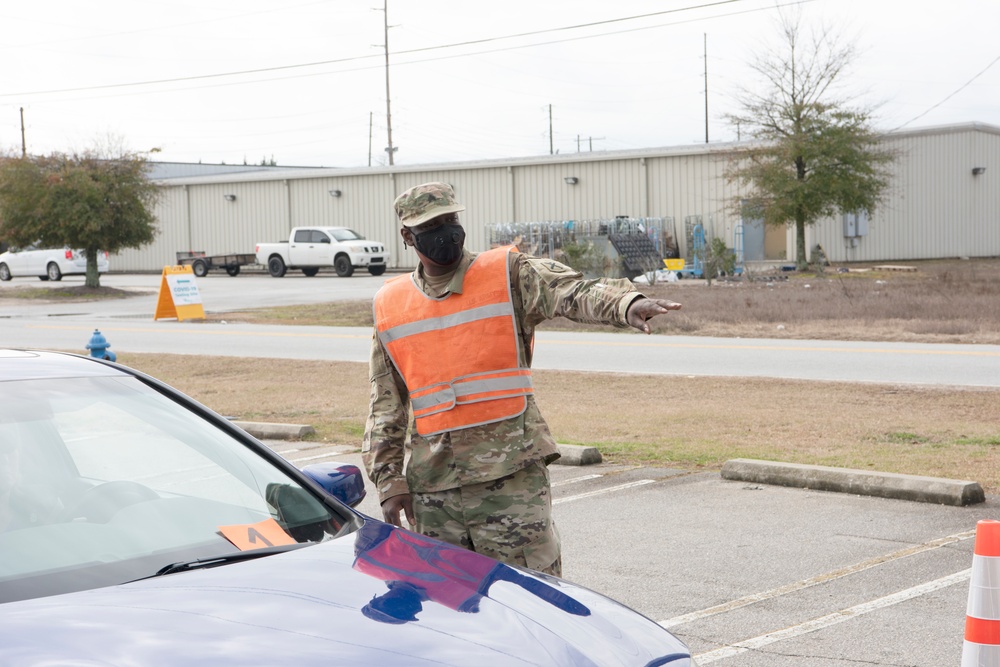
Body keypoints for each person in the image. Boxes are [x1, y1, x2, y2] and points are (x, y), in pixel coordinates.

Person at [362, 182, 681, 577]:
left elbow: (570, 289)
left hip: (511, 480)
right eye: (432, 224)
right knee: (448, 603)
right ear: (407, 236)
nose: (445, 230)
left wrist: (625, 303)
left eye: (451, 219)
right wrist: (389, 480)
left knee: (534, 598)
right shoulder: (391, 305)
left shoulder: (505, 273)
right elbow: (385, 403)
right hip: (435, 490)